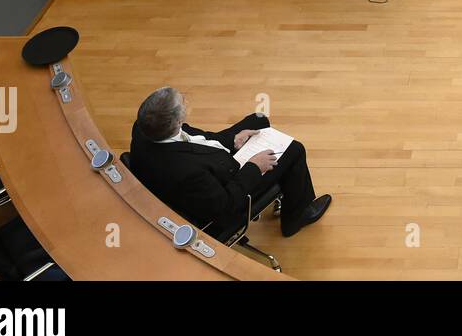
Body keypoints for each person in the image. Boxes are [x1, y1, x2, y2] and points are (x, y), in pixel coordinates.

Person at [129, 86, 332, 239]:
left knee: (259, 120)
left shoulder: (145, 127)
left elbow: (196, 138)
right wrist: (254, 166)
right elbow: (225, 205)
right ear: (176, 121)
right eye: (183, 102)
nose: (185, 100)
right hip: (227, 190)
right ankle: (295, 218)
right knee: (295, 150)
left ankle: (287, 183)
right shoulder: (187, 172)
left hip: (209, 161)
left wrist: (231, 140)